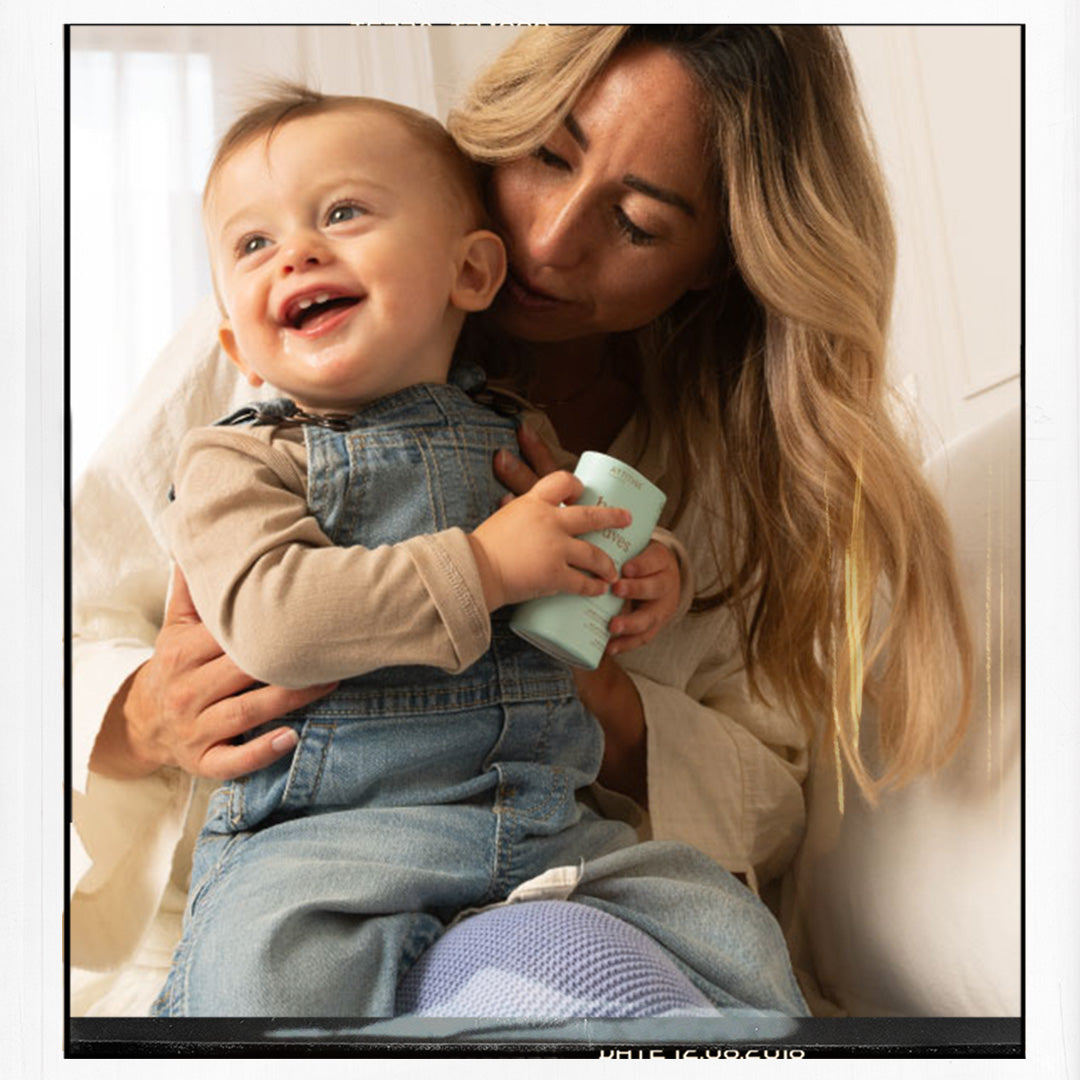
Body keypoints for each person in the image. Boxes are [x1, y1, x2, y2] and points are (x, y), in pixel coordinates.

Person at [71, 25, 971, 1017]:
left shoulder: (728, 462)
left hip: (544, 852)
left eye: (636, 221)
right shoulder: (282, 344)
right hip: (313, 872)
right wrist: (145, 715)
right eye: (548, 156)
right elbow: (57, 627)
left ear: (716, 260)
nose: (550, 241)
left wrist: (607, 658)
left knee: (730, 949)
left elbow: (770, 798)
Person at [145, 87, 807, 1018]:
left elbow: (582, 548)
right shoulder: (236, 457)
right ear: (236, 347)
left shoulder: (512, 432)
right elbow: (275, 622)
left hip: (543, 819)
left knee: (729, 927)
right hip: (328, 840)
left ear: (470, 273)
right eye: (252, 245)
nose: (295, 250)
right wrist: (489, 566)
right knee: (258, 978)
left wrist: (649, 568)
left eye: (342, 214)